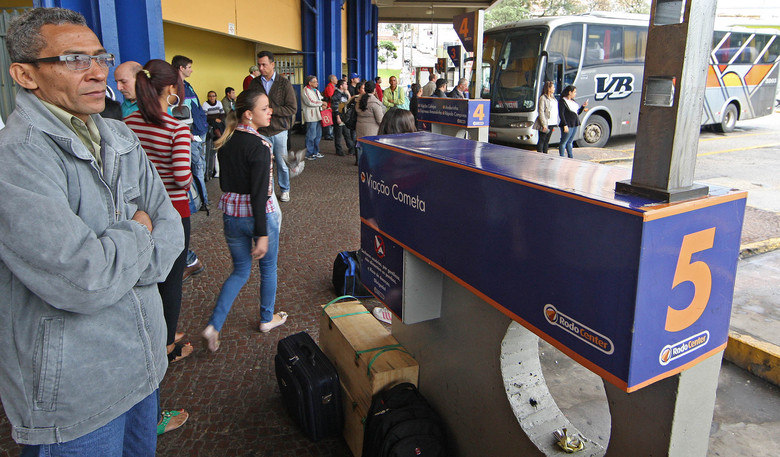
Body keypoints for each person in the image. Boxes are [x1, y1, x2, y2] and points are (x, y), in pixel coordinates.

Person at [0, 7, 184, 454]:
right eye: (73, 60)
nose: (97, 72)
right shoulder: (17, 160)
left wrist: (116, 254)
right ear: (25, 75)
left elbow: (172, 231)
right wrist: (141, 231)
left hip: (143, 365)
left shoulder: (121, 138)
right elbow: (84, 279)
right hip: (76, 394)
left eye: (100, 58)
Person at [202, 89, 287, 352]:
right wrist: (261, 233)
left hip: (231, 214)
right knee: (268, 268)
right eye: (265, 108)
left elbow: (226, 182)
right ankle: (266, 318)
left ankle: (213, 325)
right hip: (259, 215)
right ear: (248, 115)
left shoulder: (225, 140)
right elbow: (260, 193)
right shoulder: (261, 145)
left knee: (240, 271)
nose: (270, 111)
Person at [125, 59, 195, 370]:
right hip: (174, 212)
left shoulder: (128, 126)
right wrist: (190, 180)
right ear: (170, 89)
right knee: (171, 279)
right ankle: (167, 344)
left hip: (140, 211)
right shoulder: (176, 128)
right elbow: (182, 176)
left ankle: (157, 331)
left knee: (146, 278)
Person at [249, 50, 297, 203]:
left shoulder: (284, 84)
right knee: (262, 163)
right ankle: (265, 190)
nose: (261, 68)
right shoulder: (254, 83)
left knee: (282, 164)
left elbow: (292, 108)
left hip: (279, 130)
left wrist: (271, 110)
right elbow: (250, 104)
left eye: (264, 65)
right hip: (261, 131)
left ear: (272, 64)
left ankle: (285, 189)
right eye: (259, 65)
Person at [172, 55, 209, 211]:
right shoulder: (175, 88)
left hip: (200, 131)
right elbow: (180, 116)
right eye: (189, 67)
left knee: (200, 166)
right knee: (197, 168)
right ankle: (201, 202)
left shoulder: (187, 85)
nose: (191, 70)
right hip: (192, 135)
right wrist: (191, 135)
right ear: (181, 68)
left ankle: (201, 200)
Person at [558, 84, 588, 158]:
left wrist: (583, 107)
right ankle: (561, 157)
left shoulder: (573, 101)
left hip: (574, 123)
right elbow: (561, 114)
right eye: (574, 92)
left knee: (570, 141)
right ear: (569, 92)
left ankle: (570, 156)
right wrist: (565, 125)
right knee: (564, 142)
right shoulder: (562, 101)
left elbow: (577, 112)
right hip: (567, 124)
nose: (575, 94)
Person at [301, 75, 327, 160]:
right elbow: (310, 102)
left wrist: (323, 104)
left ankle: (315, 152)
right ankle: (309, 153)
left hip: (318, 115)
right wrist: (321, 103)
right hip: (311, 116)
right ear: (309, 83)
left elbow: (320, 99)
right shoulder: (305, 90)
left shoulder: (316, 91)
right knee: (311, 135)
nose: (317, 83)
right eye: (315, 81)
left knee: (318, 135)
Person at [533, 81, 558, 154]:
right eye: (553, 87)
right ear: (549, 88)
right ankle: (540, 155)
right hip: (546, 122)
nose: (554, 88)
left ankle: (545, 155)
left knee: (547, 141)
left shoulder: (553, 98)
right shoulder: (543, 98)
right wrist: (544, 124)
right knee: (542, 140)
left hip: (552, 122)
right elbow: (541, 111)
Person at [332, 79, 355, 156]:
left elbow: (349, 101)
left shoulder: (344, 93)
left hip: (344, 117)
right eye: (345, 84)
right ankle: (339, 150)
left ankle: (351, 148)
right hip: (339, 117)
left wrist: (348, 93)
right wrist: (338, 117)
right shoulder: (336, 95)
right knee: (338, 135)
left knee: (347, 134)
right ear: (341, 86)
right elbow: (335, 107)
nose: (347, 85)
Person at [321, 74, 337, 140]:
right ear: (331, 80)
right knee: (328, 121)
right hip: (329, 106)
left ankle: (330, 134)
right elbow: (331, 97)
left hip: (330, 106)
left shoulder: (333, 87)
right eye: (335, 78)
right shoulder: (330, 87)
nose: (337, 80)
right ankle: (328, 135)